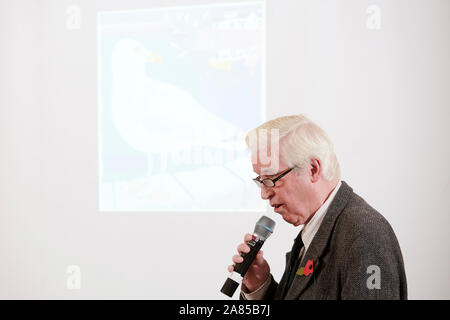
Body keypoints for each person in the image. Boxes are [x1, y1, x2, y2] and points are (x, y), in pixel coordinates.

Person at [228, 115, 407, 299]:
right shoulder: (315, 229)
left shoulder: (364, 234)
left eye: (271, 179)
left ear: (313, 169)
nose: (264, 194)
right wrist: (261, 286)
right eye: (260, 181)